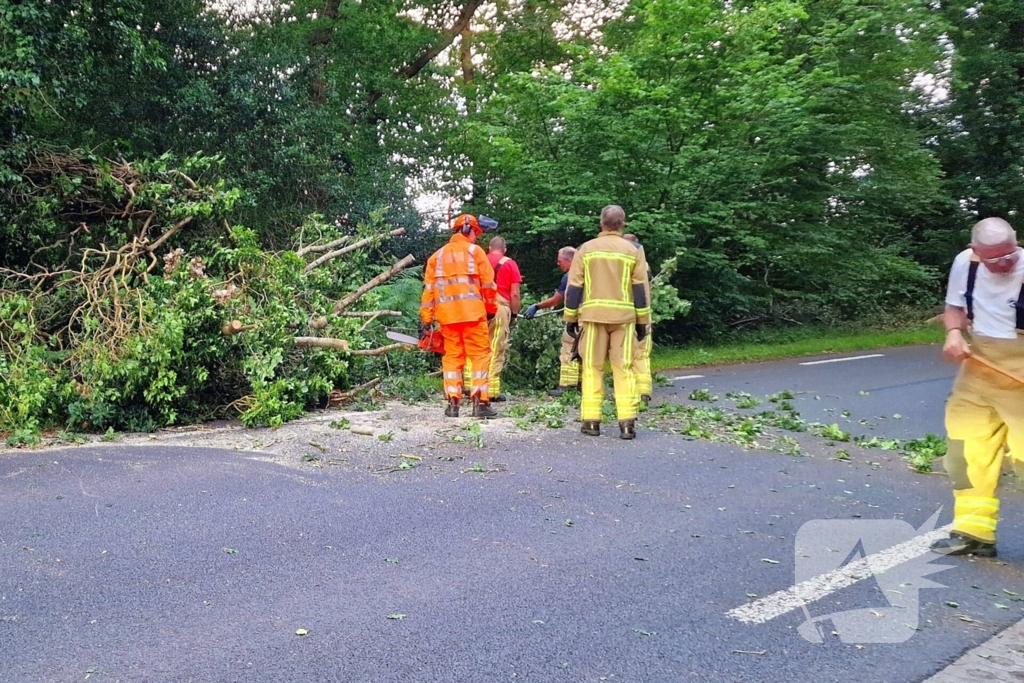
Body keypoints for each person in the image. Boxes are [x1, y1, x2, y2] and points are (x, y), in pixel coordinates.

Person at [930, 217, 1024, 557]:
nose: (1003, 264)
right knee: (965, 453)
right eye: (993, 258)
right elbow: (955, 307)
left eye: (1009, 255)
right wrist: (953, 332)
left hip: (1021, 372)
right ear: (976, 251)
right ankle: (974, 534)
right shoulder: (964, 263)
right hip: (979, 369)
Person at [564, 206, 650, 440]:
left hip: (592, 319)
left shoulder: (585, 249)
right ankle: (627, 423)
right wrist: (643, 321)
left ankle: (591, 421)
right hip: (624, 320)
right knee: (624, 369)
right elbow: (641, 289)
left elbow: (574, 288)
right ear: (623, 224)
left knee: (592, 368)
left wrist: (570, 318)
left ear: (601, 224)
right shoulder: (633, 250)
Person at [420, 213, 500, 419]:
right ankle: (480, 403)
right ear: (469, 231)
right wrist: (491, 309)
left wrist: (426, 320)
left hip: (447, 318)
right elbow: (489, 286)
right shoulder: (476, 252)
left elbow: (429, 292)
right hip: (473, 315)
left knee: (452, 357)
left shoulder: (435, 258)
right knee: (480, 356)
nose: (476, 238)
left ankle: (453, 403)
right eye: (476, 233)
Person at [463, 236, 522, 401]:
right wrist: (514, 314)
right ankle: (490, 391)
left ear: (489, 248)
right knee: (495, 348)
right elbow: (515, 293)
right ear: (505, 249)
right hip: (499, 308)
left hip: (476, 307)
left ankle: (469, 386)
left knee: (474, 346)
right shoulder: (510, 263)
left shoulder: (478, 261)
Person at [521, 246, 580, 397]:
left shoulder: (570, 276)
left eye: (560, 261)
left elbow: (557, 299)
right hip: (592, 317)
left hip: (577, 317)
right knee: (586, 351)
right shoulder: (589, 273)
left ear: (569, 260)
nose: (558, 264)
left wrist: (537, 306)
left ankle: (567, 386)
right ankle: (582, 385)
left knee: (569, 349)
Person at [623, 233, 654, 405]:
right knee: (641, 354)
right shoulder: (645, 266)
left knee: (627, 354)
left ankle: (631, 392)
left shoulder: (627, 262)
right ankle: (644, 390)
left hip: (628, 314)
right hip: (644, 313)